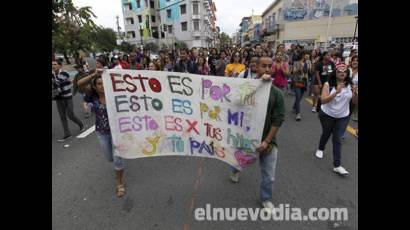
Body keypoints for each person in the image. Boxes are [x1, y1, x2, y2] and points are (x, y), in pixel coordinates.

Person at [229, 56, 285, 213]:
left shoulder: (277, 94)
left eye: (269, 66)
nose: (267, 69)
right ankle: (235, 170)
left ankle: (266, 198)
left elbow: (278, 119)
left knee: (269, 175)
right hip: (247, 137)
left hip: (268, 142)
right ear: (257, 68)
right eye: (263, 66)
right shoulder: (248, 88)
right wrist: (259, 86)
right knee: (241, 161)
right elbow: (236, 103)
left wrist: (267, 141)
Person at [77, 70, 126, 197]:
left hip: (117, 133)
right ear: (94, 86)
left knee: (117, 160)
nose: (102, 85)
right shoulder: (92, 96)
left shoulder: (115, 94)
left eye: (104, 83)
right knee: (110, 157)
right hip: (102, 133)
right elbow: (79, 83)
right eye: (99, 83)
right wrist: (94, 74)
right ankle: (117, 165)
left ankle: (119, 184)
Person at [315, 63, 358, 175]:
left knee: (337, 138)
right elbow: (323, 100)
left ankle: (337, 165)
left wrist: (356, 93)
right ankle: (320, 148)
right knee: (326, 133)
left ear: (347, 73)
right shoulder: (328, 84)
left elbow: (354, 102)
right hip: (327, 114)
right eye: (339, 71)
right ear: (335, 73)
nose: (342, 72)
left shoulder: (351, 84)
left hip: (343, 116)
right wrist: (336, 92)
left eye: (344, 71)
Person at [52, 60, 85, 142]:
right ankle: (67, 134)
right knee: (62, 117)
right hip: (58, 98)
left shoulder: (64, 72)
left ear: (60, 66)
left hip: (67, 97)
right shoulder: (52, 74)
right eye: (52, 64)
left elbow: (57, 82)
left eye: (55, 64)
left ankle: (81, 124)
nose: (53, 66)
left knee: (70, 115)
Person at [291, 52, 310, 121]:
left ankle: (294, 107)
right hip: (297, 81)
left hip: (304, 82)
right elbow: (293, 72)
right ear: (303, 56)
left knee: (299, 98)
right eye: (306, 56)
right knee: (298, 96)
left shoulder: (307, 63)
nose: (307, 57)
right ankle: (298, 113)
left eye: (308, 57)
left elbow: (309, 72)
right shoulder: (296, 63)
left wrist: (311, 65)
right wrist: (299, 68)